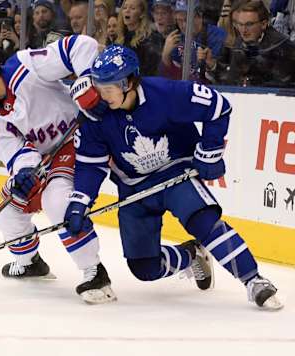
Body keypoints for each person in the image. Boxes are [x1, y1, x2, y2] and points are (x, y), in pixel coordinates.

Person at [63, 44, 283, 310]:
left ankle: (254, 281)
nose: (101, 94)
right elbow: (90, 165)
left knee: (204, 222)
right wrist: (79, 201)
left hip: (175, 171)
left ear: (129, 82)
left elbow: (219, 107)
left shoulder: (165, 94)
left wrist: (209, 150)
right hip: (134, 188)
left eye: (108, 88)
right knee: (144, 268)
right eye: (98, 86)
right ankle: (192, 255)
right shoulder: (94, 114)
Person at [0, 35, 116, 304]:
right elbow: (15, 152)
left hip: (79, 136)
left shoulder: (25, 66)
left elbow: (80, 46)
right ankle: (29, 262)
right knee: (8, 207)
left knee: (57, 201)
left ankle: (94, 272)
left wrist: (87, 79)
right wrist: (24, 171)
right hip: (43, 159)